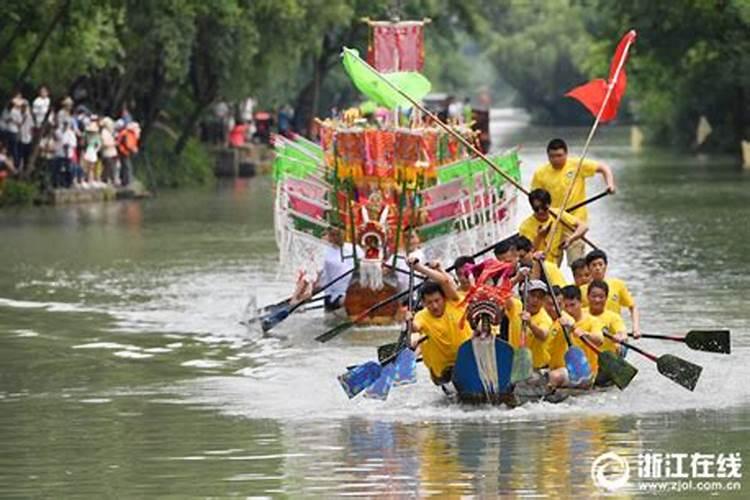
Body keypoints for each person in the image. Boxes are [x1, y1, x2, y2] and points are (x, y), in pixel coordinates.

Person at [531, 138, 615, 264]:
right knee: (549, 264)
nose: (556, 159)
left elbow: (603, 168)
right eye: (552, 156)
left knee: (577, 263)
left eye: (559, 155)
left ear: (566, 154)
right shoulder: (540, 173)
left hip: (575, 224)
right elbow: (535, 199)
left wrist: (610, 184)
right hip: (553, 223)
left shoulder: (577, 165)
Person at [408, 260, 471, 385]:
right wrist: (408, 322)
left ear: (444, 298)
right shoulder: (422, 316)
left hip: (467, 361)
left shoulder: (455, 302)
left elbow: (445, 281)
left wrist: (418, 267)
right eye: (429, 302)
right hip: (442, 371)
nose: (435, 306)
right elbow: (414, 328)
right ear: (424, 303)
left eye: (437, 300)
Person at [546, 285, 605, 388]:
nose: (569, 309)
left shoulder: (592, 321)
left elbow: (599, 340)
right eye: (566, 306)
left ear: (581, 303)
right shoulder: (557, 320)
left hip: (584, 372)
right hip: (562, 369)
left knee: (554, 376)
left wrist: (585, 334)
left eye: (573, 305)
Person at [519, 188, 588, 267]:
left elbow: (583, 226)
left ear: (549, 204)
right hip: (539, 263)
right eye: (536, 208)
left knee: (575, 241)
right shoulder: (525, 226)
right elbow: (525, 253)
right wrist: (540, 236)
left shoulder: (557, 214)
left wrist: (570, 239)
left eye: (544, 207)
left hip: (555, 259)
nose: (540, 211)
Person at [581, 249, 641, 338]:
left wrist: (635, 328)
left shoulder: (618, 285)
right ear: (588, 268)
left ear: (606, 266)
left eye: (600, 264)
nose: (598, 268)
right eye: (594, 265)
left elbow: (632, 306)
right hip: (592, 337)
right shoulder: (581, 290)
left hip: (616, 335)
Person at [318, 228, 360, 312]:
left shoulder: (355, 248)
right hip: (333, 295)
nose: (337, 237)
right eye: (333, 235)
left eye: (339, 234)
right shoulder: (324, 252)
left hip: (355, 291)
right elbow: (316, 274)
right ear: (329, 237)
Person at [585, 279, 627, 356]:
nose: (597, 300)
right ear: (587, 296)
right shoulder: (580, 313)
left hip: (606, 360)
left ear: (606, 298)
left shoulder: (613, 317)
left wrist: (620, 337)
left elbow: (622, 333)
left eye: (601, 297)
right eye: (594, 296)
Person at [519, 279, 554, 369]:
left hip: (537, 368)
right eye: (532, 295)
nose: (535, 300)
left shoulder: (545, 318)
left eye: (540, 297)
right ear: (525, 295)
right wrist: (518, 277)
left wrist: (530, 323)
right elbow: (503, 293)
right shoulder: (516, 306)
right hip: (515, 366)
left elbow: (543, 335)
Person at [99, 117, 119, 185]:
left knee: (113, 167)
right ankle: (106, 180)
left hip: (112, 153)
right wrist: (114, 144)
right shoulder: (104, 133)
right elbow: (104, 144)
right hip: (107, 153)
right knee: (108, 167)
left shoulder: (109, 132)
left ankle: (112, 180)